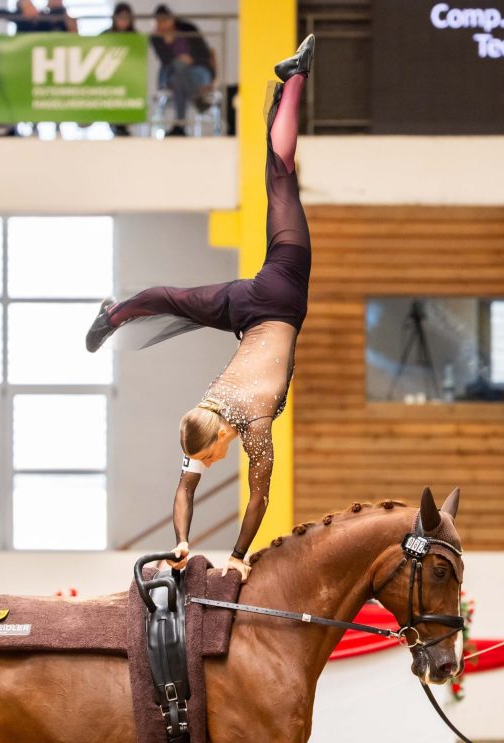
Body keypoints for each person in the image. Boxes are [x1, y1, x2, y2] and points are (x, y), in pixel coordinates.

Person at [85, 35, 315, 582]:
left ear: (212, 441)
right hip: (247, 308)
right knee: (171, 294)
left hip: (280, 293)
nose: (205, 468)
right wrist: (182, 542)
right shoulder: (208, 413)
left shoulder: (250, 423)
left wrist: (238, 555)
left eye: (207, 460)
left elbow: (258, 500)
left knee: (281, 177)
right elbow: (184, 489)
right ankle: (113, 316)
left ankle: (298, 75)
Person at [149, 4, 213, 137]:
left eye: (166, 20)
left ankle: (180, 126)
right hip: (172, 73)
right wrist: (166, 43)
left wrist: (191, 60)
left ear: (172, 18)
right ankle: (196, 98)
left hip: (197, 70)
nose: (164, 25)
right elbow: (166, 60)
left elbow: (204, 53)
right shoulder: (156, 37)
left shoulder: (188, 28)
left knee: (179, 78)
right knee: (178, 68)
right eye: (160, 22)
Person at [103, 2, 136, 137]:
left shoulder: (135, 37)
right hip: (109, 76)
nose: (123, 20)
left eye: (126, 17)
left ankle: (121, 123)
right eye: (120, 17)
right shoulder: (105, 35)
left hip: (127, 78)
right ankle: (113, 122)